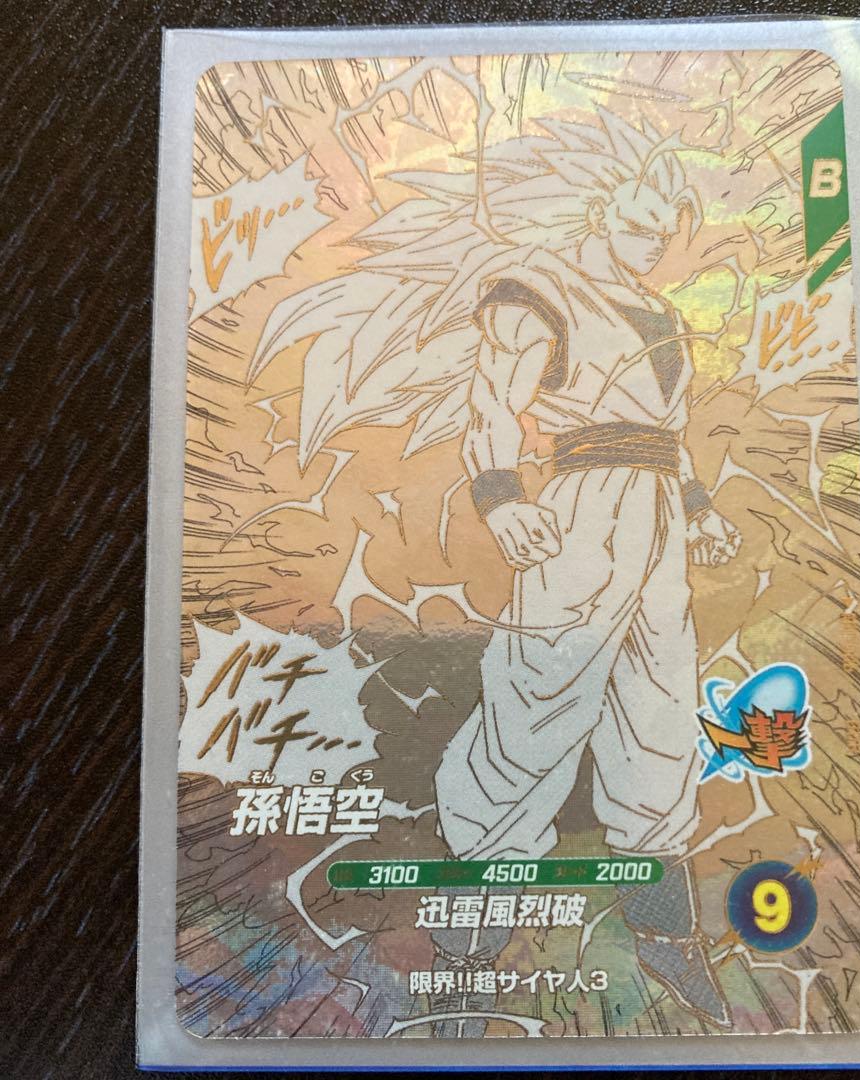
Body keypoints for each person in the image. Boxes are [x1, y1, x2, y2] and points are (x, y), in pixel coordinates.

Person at [252, 109, 741, 1032]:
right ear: (600, 210)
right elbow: (491, 407)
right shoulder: (537, 291)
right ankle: (468, 951)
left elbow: (666, 436)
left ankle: (663, 933)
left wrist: (700, 509)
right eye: (636, 221)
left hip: (655, 521)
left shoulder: (664, 314)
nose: (650, 241)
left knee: (660, 712)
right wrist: (503, 499)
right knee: (535, 709)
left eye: (662, 227)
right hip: (579, 515)